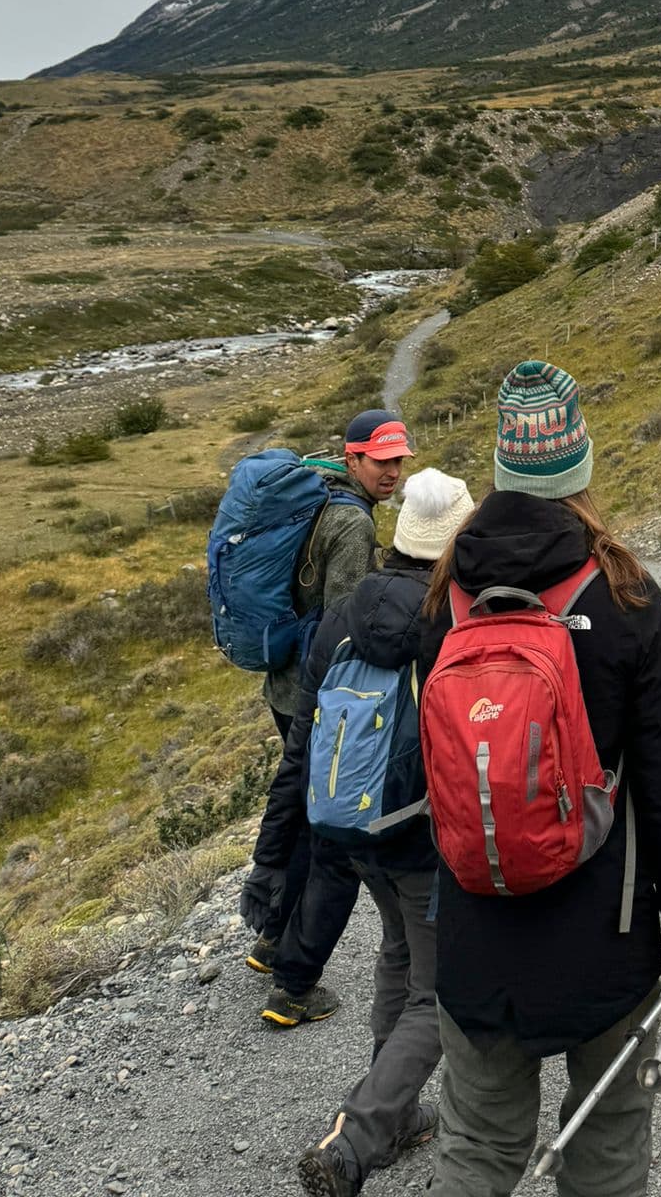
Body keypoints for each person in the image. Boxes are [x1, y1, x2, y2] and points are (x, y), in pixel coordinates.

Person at [417, 360, 661, 1197]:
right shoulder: (625, 594)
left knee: (476, 1148)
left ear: (502, 465)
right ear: (579, 463)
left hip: (476, 936)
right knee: (608, 1152)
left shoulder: (446, 596)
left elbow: (436, 769)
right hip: (605, 940)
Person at [247, 468, 475, 1196]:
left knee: (398, 951)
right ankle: (360, 1134)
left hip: (348, 827)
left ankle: (399, 1109)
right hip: (424, 834)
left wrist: (273, 855)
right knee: (439, 995)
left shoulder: (341, 615)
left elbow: (302, 745)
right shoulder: (450, 623)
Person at [242, 411, 412, 1016]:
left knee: (304, 817)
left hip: (285, 686)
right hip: (317, 700)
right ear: (352, 458)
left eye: (398, 461)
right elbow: (348, 623)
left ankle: (271, 936)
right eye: (380, 460)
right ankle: (294, 986)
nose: (391, 471)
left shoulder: (317, 502)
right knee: (331, 842)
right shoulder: (351, 522)